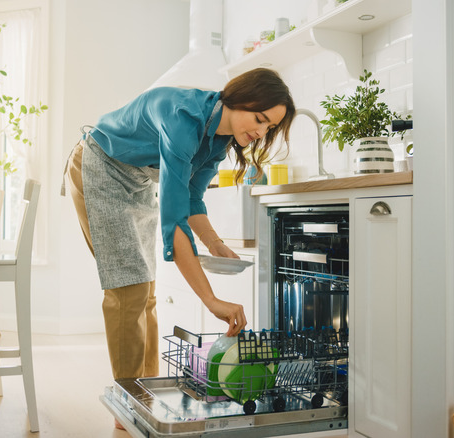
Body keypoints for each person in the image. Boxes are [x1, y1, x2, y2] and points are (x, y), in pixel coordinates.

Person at [64, 67, 295, 427]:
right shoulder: (183, 118)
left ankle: (146, 396)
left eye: (269, 128)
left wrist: (216, 244)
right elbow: (175, 226)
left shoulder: (219, 141)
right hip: (99, 165)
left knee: (147, 292)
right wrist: (212, 300)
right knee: (129, 289)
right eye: (260, 119)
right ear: (239, 98)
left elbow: (191, 199)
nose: (261, 132)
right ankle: (127, 412)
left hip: (136, 179)